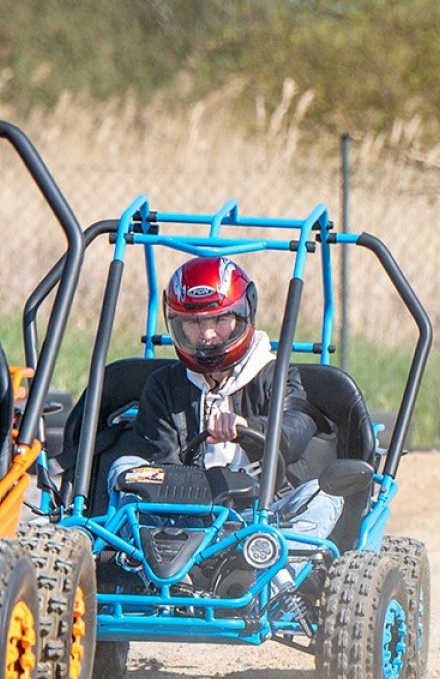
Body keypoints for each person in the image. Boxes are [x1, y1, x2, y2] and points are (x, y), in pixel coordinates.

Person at [114, 256, 342, 609]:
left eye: (219, 320)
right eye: (192, 323)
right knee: (125, 469)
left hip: (262, 517)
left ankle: (273, 587)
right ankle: (162, 582)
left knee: (325, 496)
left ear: (242, 316)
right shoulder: (165, 386)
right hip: (181, 521)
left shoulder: (276, 376)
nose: (206, 335)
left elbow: (295, 430)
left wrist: (247, 429)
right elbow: (160, 459)